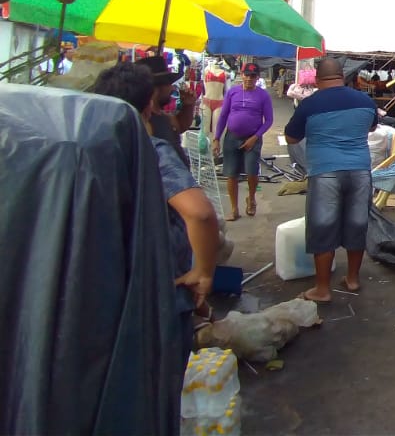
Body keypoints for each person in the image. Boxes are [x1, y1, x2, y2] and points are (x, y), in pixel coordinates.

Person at [90, 64, 220, 381]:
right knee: (157, 377)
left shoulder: (87, 147)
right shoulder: (148, 150)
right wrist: (203, 271)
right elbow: (199, 213)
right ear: (148, 101)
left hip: (103, 283)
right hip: (157, 281)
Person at [284, 58, 378, 303]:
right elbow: (370, 128)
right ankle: (353, 279)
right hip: (359, 171)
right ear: (342, 76)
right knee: (357, 224)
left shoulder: (309, 104)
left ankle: (322, 289)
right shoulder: (365, 101)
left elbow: (292, 138)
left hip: (325, 171)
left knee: (322, 226)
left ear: (317, 79)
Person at [214, 62, 273, 220]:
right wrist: (216, 138)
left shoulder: (263, 95)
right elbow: (223, 116)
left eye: (252, 76)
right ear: (241, 75)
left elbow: (268, 120)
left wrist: (255, 138)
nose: (249, 79)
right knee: (231, 174)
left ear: (257, 77)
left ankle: (251, 199)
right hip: (232, 137)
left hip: (252, 138)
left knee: (251, 172)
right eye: (246, 75)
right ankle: (234, 209)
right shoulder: (232, 92)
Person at [139, 55, 197, 167]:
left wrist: (188, 106)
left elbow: (180, 125)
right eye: (169, 84)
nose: (172, 88)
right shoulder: (144, 120)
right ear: (157, 87)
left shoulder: (163, 115)